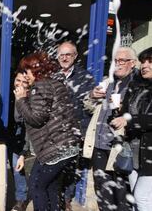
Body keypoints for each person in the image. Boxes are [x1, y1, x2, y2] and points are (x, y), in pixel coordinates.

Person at [14, 52, 80, 211]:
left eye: (27, 70)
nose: (26, 75)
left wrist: (21, 99)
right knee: (51, 187)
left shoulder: (41, 85)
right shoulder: (55, 83)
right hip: (65, 147)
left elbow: (36, 118)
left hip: (55, 148)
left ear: (35, 70)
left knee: (36, 186)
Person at [82, 47, 137, 211]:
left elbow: (141, 114)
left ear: (132, 64)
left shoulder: (137, 85)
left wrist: (125, 110)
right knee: (103, 191)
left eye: (122, 61)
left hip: (119, 147)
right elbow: (89, 108)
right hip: (99, 145)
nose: (117, 64)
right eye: (115, 61)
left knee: (121, 194)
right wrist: (92, 96)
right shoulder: (108, 82)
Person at [111, 47, 152, 211]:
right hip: (135, 152)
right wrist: (119, 108)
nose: (145, 65)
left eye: (150, 61)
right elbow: (127, 112)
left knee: (141, 197)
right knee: (137, 198)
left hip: (149, 154)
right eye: (143, 62)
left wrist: (129, 120)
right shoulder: (137, 86)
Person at [56, 41, 95, 209]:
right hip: (53, 130)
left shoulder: (85, 78)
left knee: (70, 167)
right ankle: (55, 196)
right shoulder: (51, 75)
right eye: (61, 55)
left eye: (68, 55)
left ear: (75, 56)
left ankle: (66, 199)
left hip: (74, 131)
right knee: (54, 167)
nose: (64, 58)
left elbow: (90, 107)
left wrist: (83, 131)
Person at [10, 71, 32, 211]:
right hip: (6, 133)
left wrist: (20, 100)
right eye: (18, 80)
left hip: (22, 136)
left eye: (24, 82)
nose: (20, 84)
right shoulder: (6, 91)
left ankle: (21, 200)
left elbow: (23, 123)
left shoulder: (29, 99)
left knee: (18, 167)